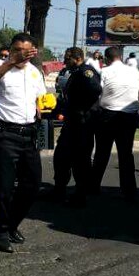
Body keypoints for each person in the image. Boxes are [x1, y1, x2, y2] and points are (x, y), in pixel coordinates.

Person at [0, 32, 47, 253]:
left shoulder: (35, 72)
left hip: (28, 134)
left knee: (32, 184)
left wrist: (38, 109)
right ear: (11, 50)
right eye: (17, 50)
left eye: (26, 51)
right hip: (3, 133)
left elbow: (38, 98)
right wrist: (10, 62)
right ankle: (1, 231)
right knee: (3, 187)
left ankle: (12, 224)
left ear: (32, 52)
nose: (21, 55)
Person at [50, 47, 102, 206]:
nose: (65, 63)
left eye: (67, 59)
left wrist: (81, 109)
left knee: (80, 161)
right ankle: (59, 191)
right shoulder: (75, 73)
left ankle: (80, 195)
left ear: (77, 58)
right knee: (61, 158)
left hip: (82, 125)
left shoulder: (87, 72)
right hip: (72, 123)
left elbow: (95, 90)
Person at [91, 46, 139, 201]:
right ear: (121, 57)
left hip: (108, 115)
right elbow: (138, 89)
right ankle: (129, 190)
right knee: (126, 153)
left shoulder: (105, 72)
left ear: (106, 58)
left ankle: (93, 186)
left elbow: (98, 91)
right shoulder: (135, 72)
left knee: (102, 152)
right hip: (129, 116)